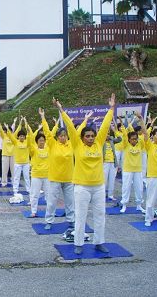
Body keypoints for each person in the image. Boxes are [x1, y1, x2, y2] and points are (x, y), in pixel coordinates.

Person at [57, 93, 115, 255]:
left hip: (98, 186)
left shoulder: (98, 143)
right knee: (81, 216)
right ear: (81, 137)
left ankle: (99, 242)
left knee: (100, 215)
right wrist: (61, 109)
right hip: (81, 187)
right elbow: (69, 125)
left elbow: (104, 125)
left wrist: (111, 108)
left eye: (92, 136)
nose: (90, 138)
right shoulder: (76, 144)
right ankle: (79, 244)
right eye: (87, 136)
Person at [40, 108, 75, 230]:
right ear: (57, 137)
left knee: (70, 201)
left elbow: (75, 130)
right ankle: (49, 220)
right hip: (55, 178)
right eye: (61, 136)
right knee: (51, 201)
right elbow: (46, 131)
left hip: (69, 178)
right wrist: (43, 117)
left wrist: (85, 120)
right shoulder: (52, 144)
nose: (63, 137)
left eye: (65, 135)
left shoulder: (71, 144)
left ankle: (71, 220)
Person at [119, 115, 146, 213]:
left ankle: (139, 205)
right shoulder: (125, 144)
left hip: (138, 170)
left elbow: (144, 132)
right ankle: (124, 205)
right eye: (133, 139)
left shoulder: (141, 143)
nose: (134, 140)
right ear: (129, 139)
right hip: (127, 170)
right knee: (126, 188)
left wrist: (141, 120)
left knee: (139, 188)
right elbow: (125, 133)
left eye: (136, 138)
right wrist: (122, 123)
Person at [27, 119, 49, 217]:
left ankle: (49, 211)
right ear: (37, 142)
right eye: (40, 141)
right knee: (34, 195)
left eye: (43, 140)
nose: (42, 142)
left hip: (47, 176)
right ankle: (34, 211)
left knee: (49, 195)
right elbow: (29, 143)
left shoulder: (48, 148)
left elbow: (49, 134)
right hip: (36, 175)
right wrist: (28, 134)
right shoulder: (33, 150)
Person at [5, 117, 31, 195]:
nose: (22, 137)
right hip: (18, 163)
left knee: (27, 178)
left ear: (25, 137)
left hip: (26, 163)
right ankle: (15, 190)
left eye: (23, 136)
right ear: (18, 137)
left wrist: (26, 123)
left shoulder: (27, 142)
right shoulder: (15, 142)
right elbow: (10, 136)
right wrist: (7, 129)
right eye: (20, 136)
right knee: (16, 178)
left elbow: (30, 134)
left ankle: (28, 189)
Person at [0, 117, 16, 187]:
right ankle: (3, 181)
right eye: (7, 130)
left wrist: (14, 122)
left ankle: (14, 181)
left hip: (12, 154)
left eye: (9, 130)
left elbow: (14, 128)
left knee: (13, 169)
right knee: (4, 169)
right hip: (4, 154)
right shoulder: (3, 136)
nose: (7, 131)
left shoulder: (13, 137)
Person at [103, 129, 122, 201]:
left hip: (112, 162)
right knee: (104, 180)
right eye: (106, 133)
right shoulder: (101, 142)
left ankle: (110, 195)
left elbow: (120, 139)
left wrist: (114, 131)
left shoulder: (112, 140)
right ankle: (103, 195)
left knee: (112, 179)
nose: (107, 135)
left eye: (108, 133)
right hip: (105, 163)